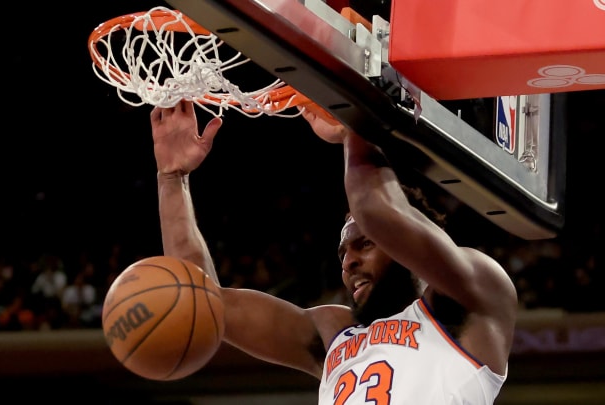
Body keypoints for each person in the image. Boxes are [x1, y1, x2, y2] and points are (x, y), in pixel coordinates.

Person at [150, 100, 517, 404]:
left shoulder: (476, 293)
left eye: (365, 243)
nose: (348, 261)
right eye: (342, 252)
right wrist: (172, 178)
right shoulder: (334, 333)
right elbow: (201, 301)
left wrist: (353, 118)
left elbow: (378, 210)